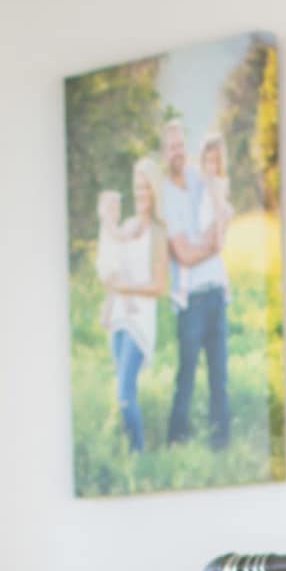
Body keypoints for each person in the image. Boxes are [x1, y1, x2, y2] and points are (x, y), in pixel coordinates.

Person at [154, 116, 231, 452]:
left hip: (217, 290)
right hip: (190, 300)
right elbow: (183, 254)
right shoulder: (165, 196)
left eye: (181, 145)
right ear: (163, 152)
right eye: (171, 147)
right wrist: (211, 246)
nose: (177, 151)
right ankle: (176, 442)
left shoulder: (199, 177)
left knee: (219, 376)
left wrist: (213, 237)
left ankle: (221, 445)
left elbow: (224, 214)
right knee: (186, 376)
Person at [94, 165, 163, 451]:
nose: (141, 193)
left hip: (140, 318)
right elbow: (114, 263)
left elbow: (158, 286)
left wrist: (127, 290)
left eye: (146, 187)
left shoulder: (158, 231)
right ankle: (129, 454)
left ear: (155, 191)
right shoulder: (129, 225)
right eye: (137, 187)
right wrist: (111, 299)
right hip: (120, 316)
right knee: (123, 390)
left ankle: (139, 453)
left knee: (124, 392)